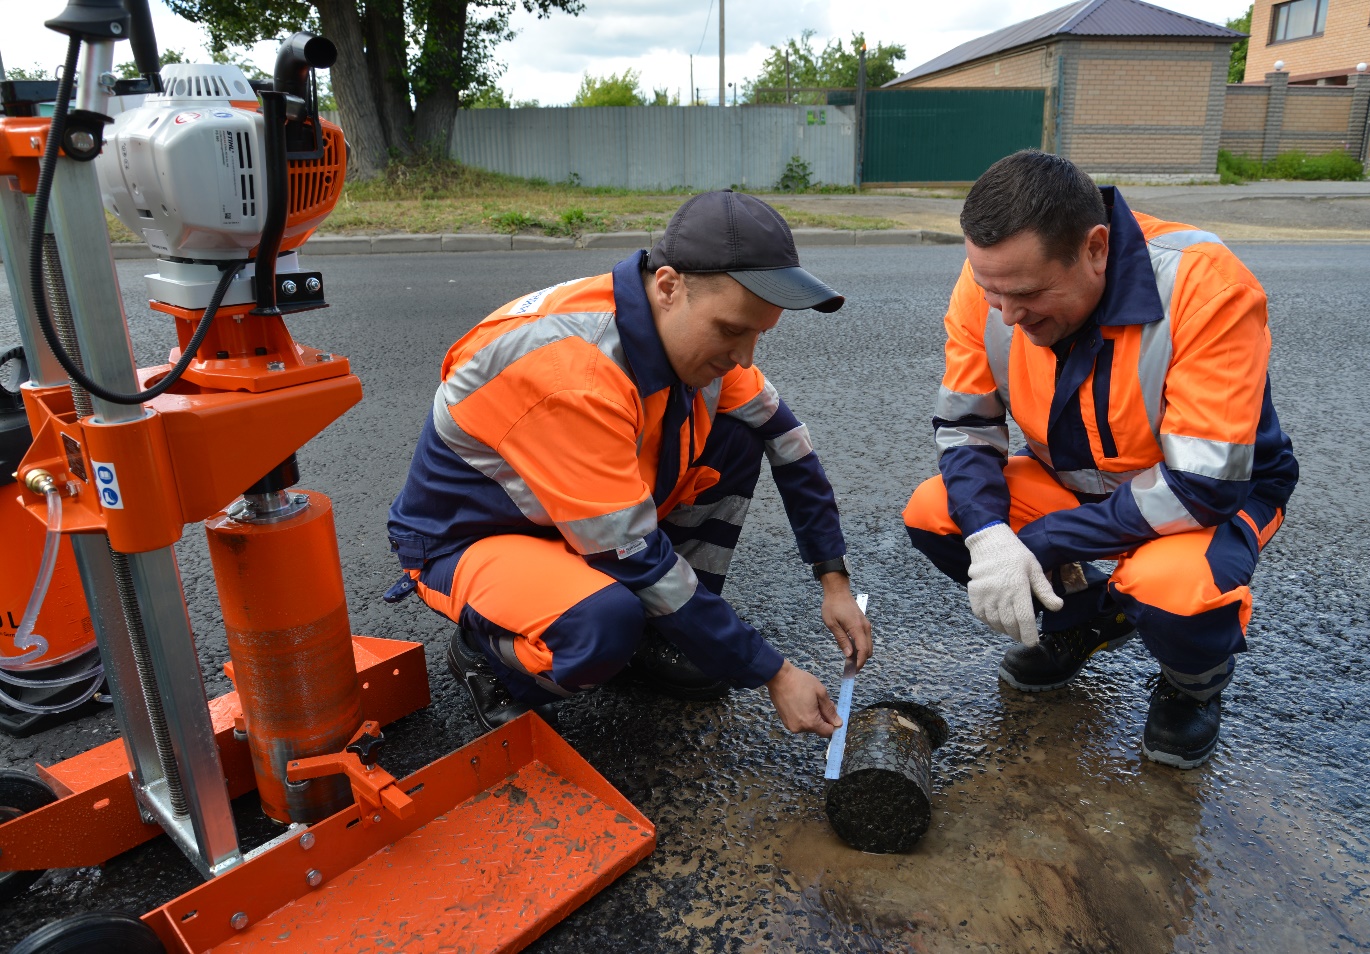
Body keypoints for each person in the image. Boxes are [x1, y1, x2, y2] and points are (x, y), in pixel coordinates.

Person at [386, 190, 872, 738]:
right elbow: (635, 554)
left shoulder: (687, 335)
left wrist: (834, 580)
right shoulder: (574, 375)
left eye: (759, 334)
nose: (744, 356)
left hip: (577, 519)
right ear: (668, 286)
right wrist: (773, 673)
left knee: (739, 435)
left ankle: (668, 630)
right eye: (734, 330)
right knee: (603, 625)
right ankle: (487, 654)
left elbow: (789, 445)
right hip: (469, 537)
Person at [903, 151, 1298, 768]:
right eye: (991, 292)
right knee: (938, 512)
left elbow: (1201, 485)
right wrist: (988, 535)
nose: (1007, 314)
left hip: (1207, 498)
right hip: (1079, 482)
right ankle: (1085, 621)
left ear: (1095, 248)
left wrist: (1042, 543)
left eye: (1029, 294)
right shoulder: (996, 279)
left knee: (1173, 587)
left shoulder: (1205, 284)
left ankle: (1191, 686)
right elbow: (966, 426)